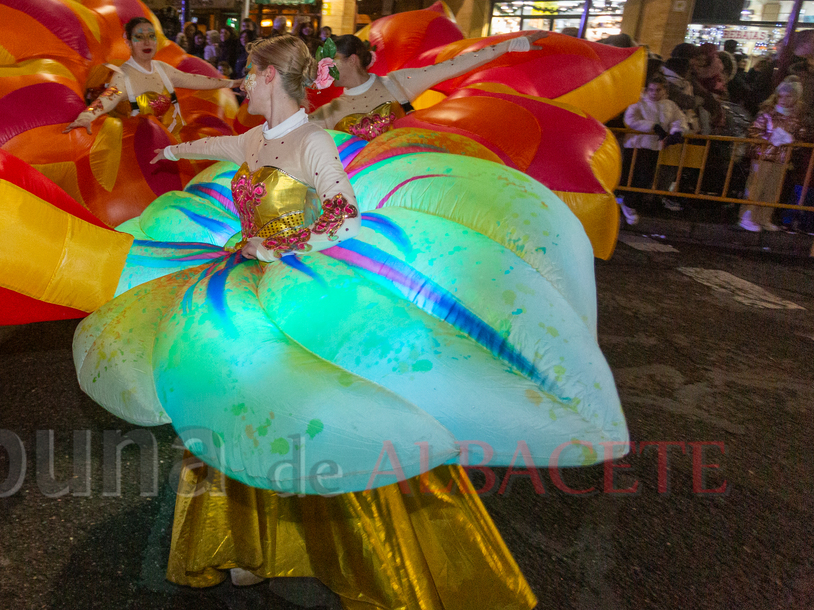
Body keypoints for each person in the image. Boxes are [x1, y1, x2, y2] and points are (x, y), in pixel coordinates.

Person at [82, 34, 569, 608]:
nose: (242, 82)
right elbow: (221, 146)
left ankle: (336, 544)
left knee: (306, 407)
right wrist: (171, 154)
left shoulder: (314, 140)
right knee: (235, 400)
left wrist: (277, 247)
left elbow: (343, 216)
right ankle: (245, 543)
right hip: (243, 279)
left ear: (268, 78)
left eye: (248, 73)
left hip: (295, 288)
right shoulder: (258, 137)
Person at [308, 31, 545, 138]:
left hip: (408, 179)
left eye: (332, 62)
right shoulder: (330, 111)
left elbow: (455, 65)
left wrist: (511, 45)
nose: (326, 70)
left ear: (352, 60)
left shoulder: (397, 83)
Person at [64, 16, 237, 135]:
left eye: (151, 36)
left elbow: (194, 80)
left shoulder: (162, 69)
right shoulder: (123, 76)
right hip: (131, 152)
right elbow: (107, 99)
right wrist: (86, 116)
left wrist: (231, 83)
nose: (147, 42)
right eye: (139, 37)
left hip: (163, 142)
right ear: (129, 43)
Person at [620, 71, 690, 224]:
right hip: (636, 144)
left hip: (654, 146)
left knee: (645, 177)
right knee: (634, 176)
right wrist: (653, 126)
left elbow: (679, 119)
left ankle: (629, 203)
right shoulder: (639, 102)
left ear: (664, 90)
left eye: (658, 90)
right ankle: (628, 204)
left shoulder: (669, 105)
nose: (654, 93)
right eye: (651, 90)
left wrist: (677, 132)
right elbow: (631, 119)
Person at [740, 78, 805, 232]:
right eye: (781, 96)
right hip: (763, 156)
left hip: (781, 159)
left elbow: (800, 137)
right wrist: (769, 140)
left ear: (796, 98)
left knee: (772, 189)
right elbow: (754, 131)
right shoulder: (768, 115)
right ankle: (747, 216)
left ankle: (764, 218)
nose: (783, 100)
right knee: (756, 187)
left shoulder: (795, 120)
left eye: (788, 97)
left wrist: (793, 141)